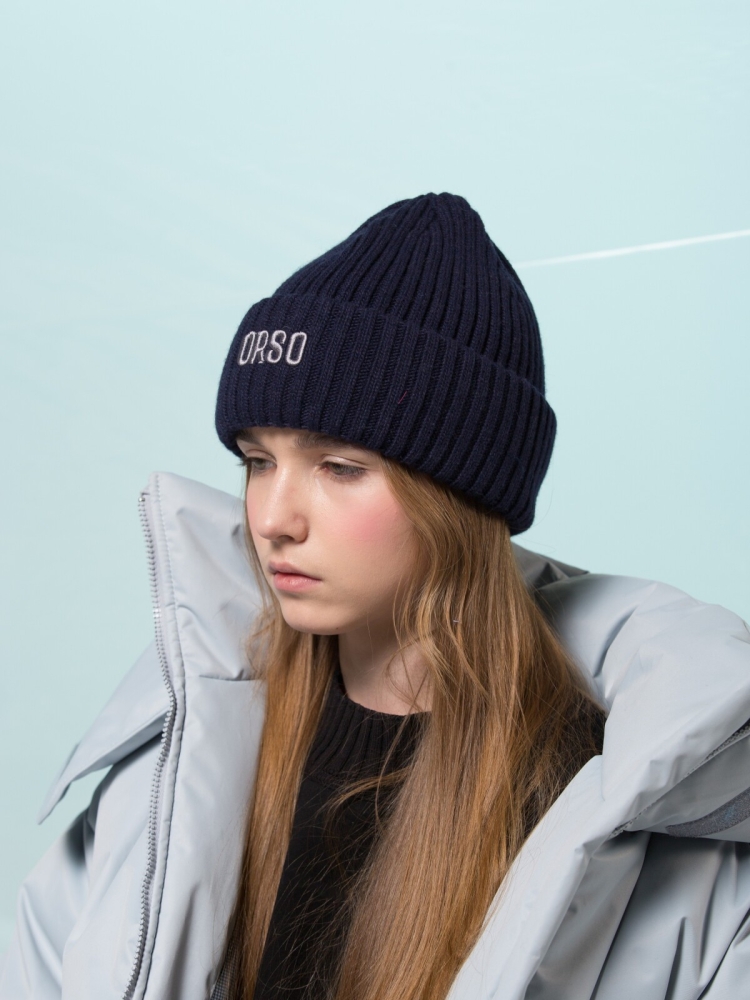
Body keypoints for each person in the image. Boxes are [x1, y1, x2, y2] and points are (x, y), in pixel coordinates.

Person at [2, 193, 749, 1000]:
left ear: (459, 498)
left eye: (340, 468)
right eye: (257, 461)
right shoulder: (179, 752)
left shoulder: (625, 806)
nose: (272, 518)